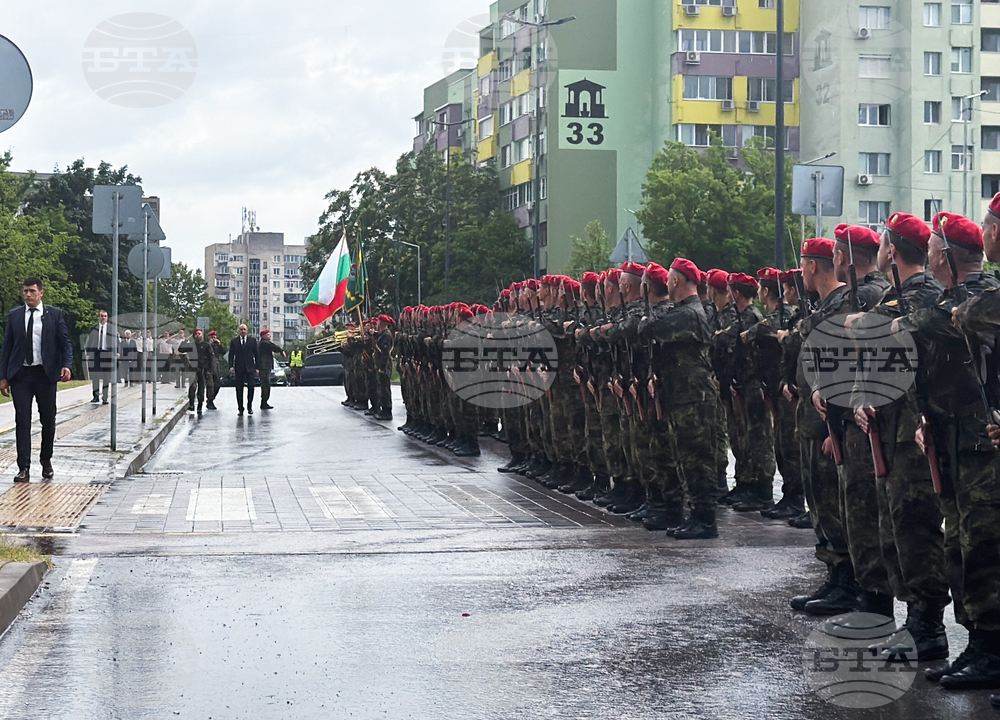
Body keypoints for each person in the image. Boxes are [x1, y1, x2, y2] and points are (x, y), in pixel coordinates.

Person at [0, 277, 74, 483]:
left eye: (32, 291)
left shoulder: (54, 315)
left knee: (48, 420)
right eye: (25, 291)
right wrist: (3, 377)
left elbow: (65, 343)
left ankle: (46, 460)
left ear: (41, 293)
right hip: (21, 375)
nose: (28, 295)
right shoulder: (15, 316)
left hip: (45, 374)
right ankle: (23, 467)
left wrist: (66, 365)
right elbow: (7, 347)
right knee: (22, 420)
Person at [229, 324, 259, 415]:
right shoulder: (234, 342)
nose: (243, 331)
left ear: (247, 330)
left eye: (244, 329)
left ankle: (249, 406)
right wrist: (231, 366)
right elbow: (231, 355)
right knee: (239, 389)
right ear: (239, 330)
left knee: (251, 387)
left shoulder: (252, 341)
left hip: (250, 368)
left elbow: (257, 355)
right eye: (241, 329)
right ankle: (240, 408)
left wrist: (257, 368)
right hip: (239, 367)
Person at [86, 310, 113, 404]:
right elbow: (89, 341)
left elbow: (115, 342)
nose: (103, 318)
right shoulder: (95, 328)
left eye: (105, 316)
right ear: (99, 317)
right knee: (95, 376)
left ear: (107, 317)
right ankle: (95, 396)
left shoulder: (111, 329)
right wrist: (88, 354)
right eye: (102, 316)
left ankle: (105, 397)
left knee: (106, 377)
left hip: (107, 354)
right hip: (96, 353)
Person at [257, 329, 286, 410]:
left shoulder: (265, 343)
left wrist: (281, 351)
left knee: (266, 384)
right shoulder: (264, 343)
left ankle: (264, 402)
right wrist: (281, 351)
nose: (269, 336)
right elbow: (274, 347)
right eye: (268, 335)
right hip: (264, 367)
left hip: (266, 367)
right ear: (264, 336)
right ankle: (264, 402)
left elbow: (273, 346)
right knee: (265, 384)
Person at [187, 328, 213, 414]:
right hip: (193, 368)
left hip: (203, 368)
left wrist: (209, 369)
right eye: (196, 334)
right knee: (192, 387)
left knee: (201, 387)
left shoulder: (206, 345)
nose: (198, 335)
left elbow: (210, 358)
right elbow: (180, 349)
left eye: (199, 334)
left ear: (202, 335)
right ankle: (191, 403)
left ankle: (200, 404)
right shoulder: (191, 345)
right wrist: (187, 339)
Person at [206, 331, 225, 409]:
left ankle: (212, 398)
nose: (213, 339)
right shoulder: (206, 345)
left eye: (215, 337)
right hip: (208, 367)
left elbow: (224, 352)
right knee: (210, 385)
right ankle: (210, 401)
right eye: (212, 337)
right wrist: (210, 345)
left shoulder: (218, 346)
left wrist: (219, 345)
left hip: (216, 367)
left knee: (217, 384)